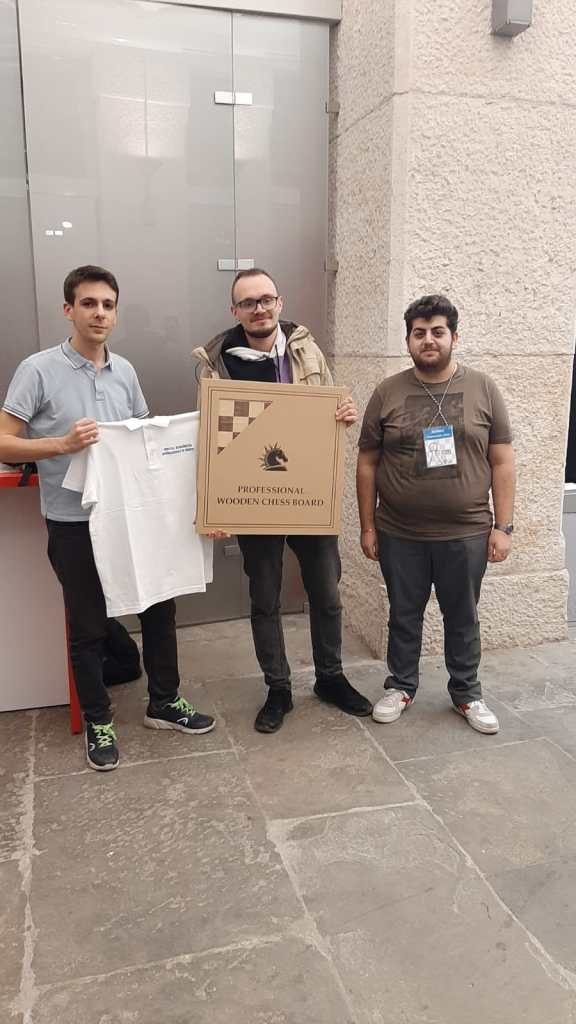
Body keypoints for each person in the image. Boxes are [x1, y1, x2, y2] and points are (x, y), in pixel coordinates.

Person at [0, 265, 215, 771]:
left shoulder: (126, 372)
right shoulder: (38, 369)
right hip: (71, 522)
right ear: (68, 309)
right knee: (88, 624)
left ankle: (165, 702)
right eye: (89, 303)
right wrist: (62, 444)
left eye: (108, 305)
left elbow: (142, 442)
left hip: (133, 518)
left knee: (159, 608)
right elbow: (4, 442)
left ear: (116, 313)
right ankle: (99, 721)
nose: (99, 313)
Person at [193, 268, 372, 733]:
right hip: (254, 500)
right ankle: (278, 688)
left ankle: (330, 678)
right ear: (235, 310)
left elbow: (332, 407)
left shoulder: (306, 349)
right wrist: (212, 505)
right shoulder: (215, 364)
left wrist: (343, 412)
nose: (259, 308)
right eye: (248, 302)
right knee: (265, 598)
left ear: (280, 302)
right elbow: (210, 441)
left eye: (266, 299)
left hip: (308, 495)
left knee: (326, 593)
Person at [356, 294, 515, 734]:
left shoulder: (483, 388)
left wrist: (503, 526)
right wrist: (367, 526)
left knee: (462, 616)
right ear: (408, 340)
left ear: (454, 337)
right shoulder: (387, 392)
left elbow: (502, 460)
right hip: (399, 531)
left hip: (466, 532)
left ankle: (467, 693)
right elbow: (367, 462)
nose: (428, 340)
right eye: (419, 333)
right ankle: (400, 686)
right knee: (403, 614)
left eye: (438, 332)